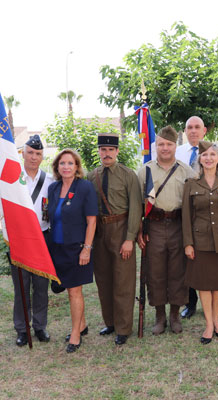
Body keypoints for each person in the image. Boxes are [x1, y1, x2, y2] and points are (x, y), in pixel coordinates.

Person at [0, 135, 53, 346]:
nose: (34, 157)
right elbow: (0, 206)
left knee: (40, 286)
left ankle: (40, 326)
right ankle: (22, 328)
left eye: (38, 154)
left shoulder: (49, 181)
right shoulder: (9, 178)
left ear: (42, 156)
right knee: (21, 286)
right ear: (22, 153)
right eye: (30, 153)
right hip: (18, 239)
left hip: (41, 238)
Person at [137, 126, 196, 335]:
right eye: (161, 144)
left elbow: (193, 203)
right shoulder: (145, 171)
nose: (165, 148)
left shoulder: (186, 171)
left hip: (179, 225)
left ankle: (175, 314)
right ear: (156, 146)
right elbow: (137, 205)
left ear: (175, 146)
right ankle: (160, 315)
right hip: (154, 226)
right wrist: (138, 232)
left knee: (178, 270)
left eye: (169, 144)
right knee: (156, 271)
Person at [182, 141, 218, 344]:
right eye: (204, 155)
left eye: (212, 155)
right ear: (199, 159)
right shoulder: (191, 183)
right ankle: (209, 324)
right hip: (200, 241)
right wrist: (188, 243)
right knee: (204, 284)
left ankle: (217, 322)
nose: (208, 158)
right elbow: (186, 216)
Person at [87, 133, 142, 346]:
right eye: (103, 150)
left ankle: (123, 327)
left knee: (123, 281)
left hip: (121, 229)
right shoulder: (92, 176)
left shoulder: (128, 175)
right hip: (100, 231)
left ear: (117, 151)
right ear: (99, 152)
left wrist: (130, 238)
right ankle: (110, 322)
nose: (107, 153)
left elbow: (136, 208)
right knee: (104, 279)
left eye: (110, 150)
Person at [175, 116, 218, 319]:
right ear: (185, 131)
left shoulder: (216, 151)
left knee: (205, 260)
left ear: (204, 130)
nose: (193, 131)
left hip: (208, 214)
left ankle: (209, 305)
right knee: (187, 260)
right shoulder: (178, 153)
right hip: (183, 212)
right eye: (189, 127)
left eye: (197, 127)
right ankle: (190, 302)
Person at [47, 149, 98, 353]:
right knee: (68, 289)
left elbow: (92, 221)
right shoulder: (53, 188)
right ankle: (82, 324)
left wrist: (87, 249)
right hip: (57, 246)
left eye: (70, 163)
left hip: (77, 247)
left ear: (77, 166)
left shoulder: (85, 187)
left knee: (75, 292)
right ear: (57, 167)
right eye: (62, 163)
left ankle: (76, 333)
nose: (66, 167)